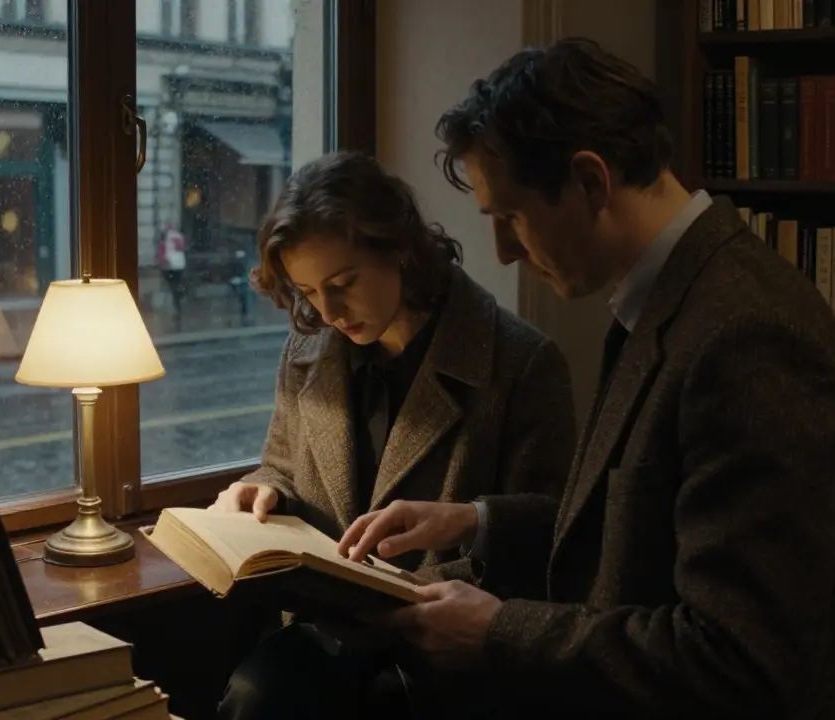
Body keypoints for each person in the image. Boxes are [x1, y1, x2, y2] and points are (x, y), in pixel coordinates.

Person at [337, 38, 835, 719]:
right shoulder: (673, 299)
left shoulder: (747, 339)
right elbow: (640, 520)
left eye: (510, 217)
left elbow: (738, 658)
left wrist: (497, 631)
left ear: (591, 181)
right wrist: (470, 522)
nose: (504, 253)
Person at [210, 150, 577, 719]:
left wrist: (471, 524)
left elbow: (555, 528)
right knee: (254, 694)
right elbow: (281, 465)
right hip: (325, 631)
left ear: (399, 247)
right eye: (308, 292)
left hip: (447, 647)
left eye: (343, 283)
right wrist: (261, 490)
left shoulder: (521, 362)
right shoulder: (308, 353)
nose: (328, 310)